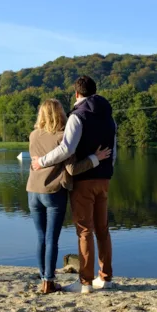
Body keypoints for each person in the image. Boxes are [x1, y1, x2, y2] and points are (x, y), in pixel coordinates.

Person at [31, 76, 116, 294]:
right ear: (95, 91)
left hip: (83, 180)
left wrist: (41, 161)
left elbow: (66, 150)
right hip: (104, 179)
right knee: (103, 229)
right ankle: (105, 278)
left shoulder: (77, 117)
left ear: (76, 94)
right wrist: (107, 169)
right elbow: (114, 150)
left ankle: (85, 282)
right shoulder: (109, 117)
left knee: (85, 230)